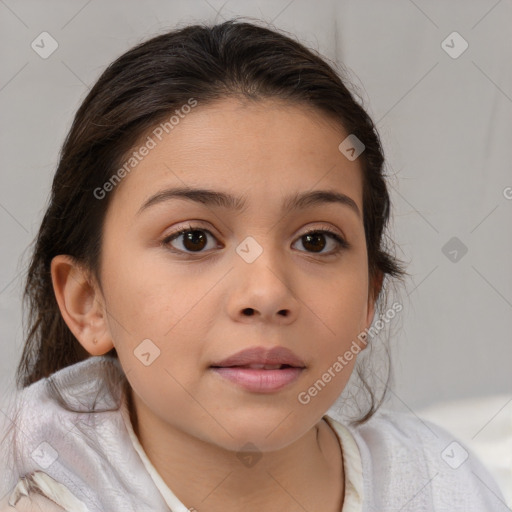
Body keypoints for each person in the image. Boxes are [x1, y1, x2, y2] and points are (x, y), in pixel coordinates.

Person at [0, 17, 507, 512]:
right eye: (194, 239)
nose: (266, 294)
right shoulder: (36, 491)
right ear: (87, 302)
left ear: (370, 297)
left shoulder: (440, 481)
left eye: (315, 241)